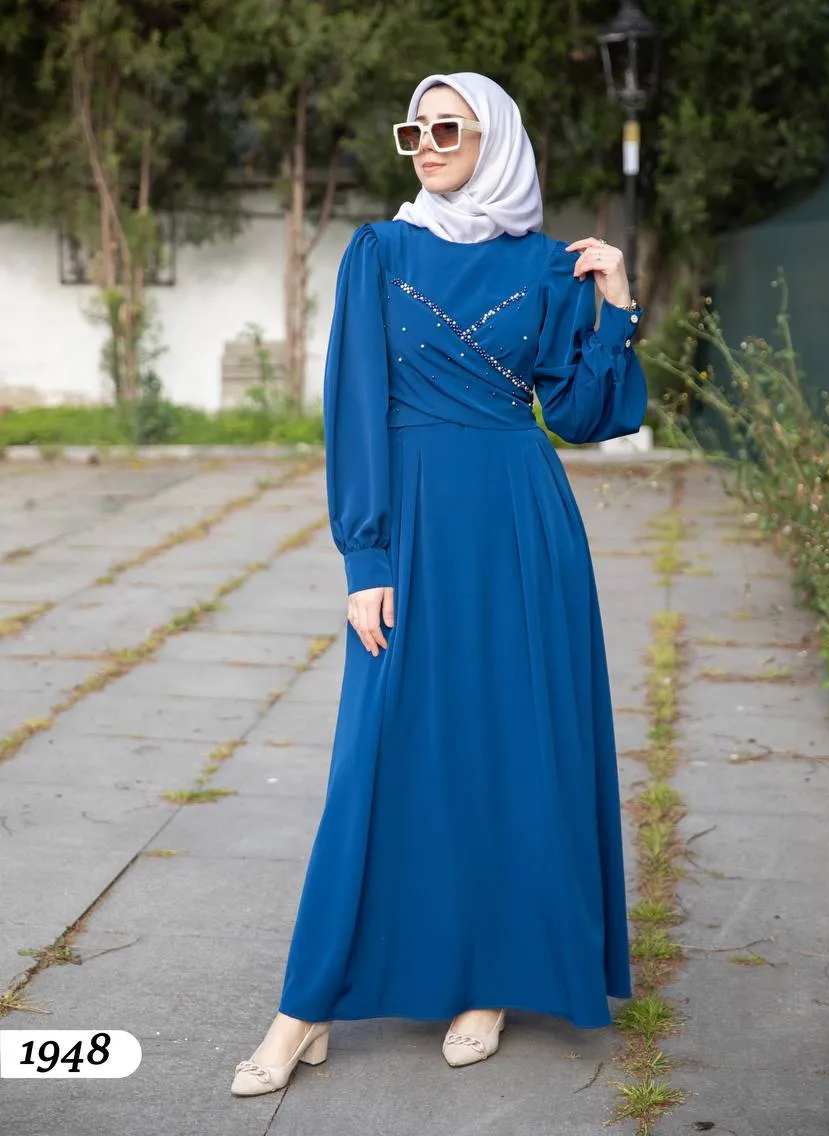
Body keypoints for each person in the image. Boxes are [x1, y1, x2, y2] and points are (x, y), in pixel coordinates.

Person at [231, 71, 648, 1097]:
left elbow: (584, 416)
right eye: (412, 130)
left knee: (512, 748)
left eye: (446, 128)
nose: (424, 143)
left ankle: (490, 981)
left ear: (492, 138)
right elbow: (353, 407)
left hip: (520, 524)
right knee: (377, 757)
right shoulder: (380, 251)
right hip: (411, 528)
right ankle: (307, 1004)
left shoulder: (548, 268)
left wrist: (615, 307)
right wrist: (364, 556)